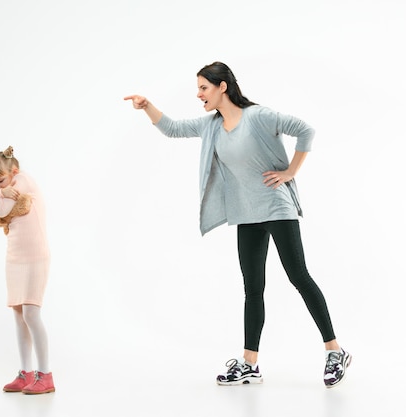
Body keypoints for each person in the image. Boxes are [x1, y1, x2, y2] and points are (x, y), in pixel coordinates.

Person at [124, 62, 351, 388]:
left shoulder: (259, 116)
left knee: (298, 276)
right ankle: (250, 364)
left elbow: (305, 130)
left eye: (204, 87)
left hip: (276, 208)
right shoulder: (212, 126)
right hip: (245, 215)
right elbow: (174, 129)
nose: (199, 93)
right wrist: (148, 107)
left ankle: (334, 351)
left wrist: (290, 173)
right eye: (199, 87)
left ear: (222, 87)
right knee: (253, 289)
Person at [0, 146, 55, 394]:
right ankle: (25, 373)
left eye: (1, 179)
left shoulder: (23, 180)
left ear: (14, 171)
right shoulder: (2, 189)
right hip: (14, 257)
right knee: (19, 315)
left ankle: (45, 376)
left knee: (32, 313)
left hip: (34, 256)